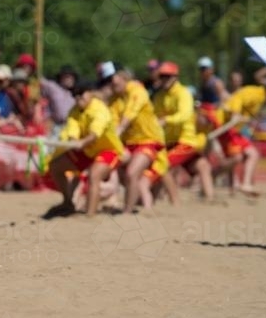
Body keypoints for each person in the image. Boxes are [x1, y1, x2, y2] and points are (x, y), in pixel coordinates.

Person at [43, 79, 127, 219]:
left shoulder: (99, 109)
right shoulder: (74, 111)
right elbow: (72, 132)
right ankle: (68, 203)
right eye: (74, 94)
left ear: (90, 94)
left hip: (107, 151)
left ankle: (90, 214)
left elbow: (95, 134)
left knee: (94, 175)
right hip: (87, 151)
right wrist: (73, 141)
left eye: (81, 93)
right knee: (55, 166)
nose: (78, 97)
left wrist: (81, 142)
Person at [100, 62, 166, 213]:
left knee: (132, 173)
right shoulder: (115, 99)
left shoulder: (137, 90)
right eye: (107, 81)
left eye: (112, 78)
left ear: (122, 76)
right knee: (117, 169)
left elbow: (128, 116)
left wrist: (117, 132)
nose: (110, 83)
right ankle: (139, 204)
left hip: (149, 141)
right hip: (129, 143)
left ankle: (127, 212)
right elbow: (112, 123)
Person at [151, 61, 214, 201]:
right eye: (162, 76)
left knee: (162, 165)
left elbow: (184, 115)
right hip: (169, 140)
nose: (164, 79)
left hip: (186, 141)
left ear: (175, 77)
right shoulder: (159, 96)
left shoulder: (183, 93)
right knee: (202, 166)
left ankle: (174, 201)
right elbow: (154, 117)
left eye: (168, 76)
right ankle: (210, 199)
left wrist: (165, 120)